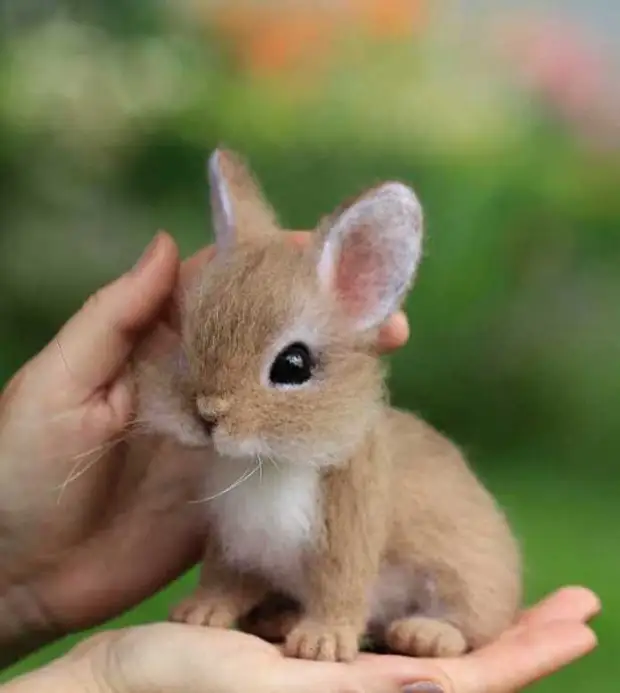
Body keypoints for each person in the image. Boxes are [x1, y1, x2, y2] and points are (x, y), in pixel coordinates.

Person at [0, 231, 599, 693]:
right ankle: (272, 602)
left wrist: (338, 619)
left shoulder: (347, 460)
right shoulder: (230, 457)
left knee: (425, 563)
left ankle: (448, 621)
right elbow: (241, 535)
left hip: (419, 577)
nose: (211, 407)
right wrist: (223, 590)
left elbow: (350, 545)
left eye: (287, 371)